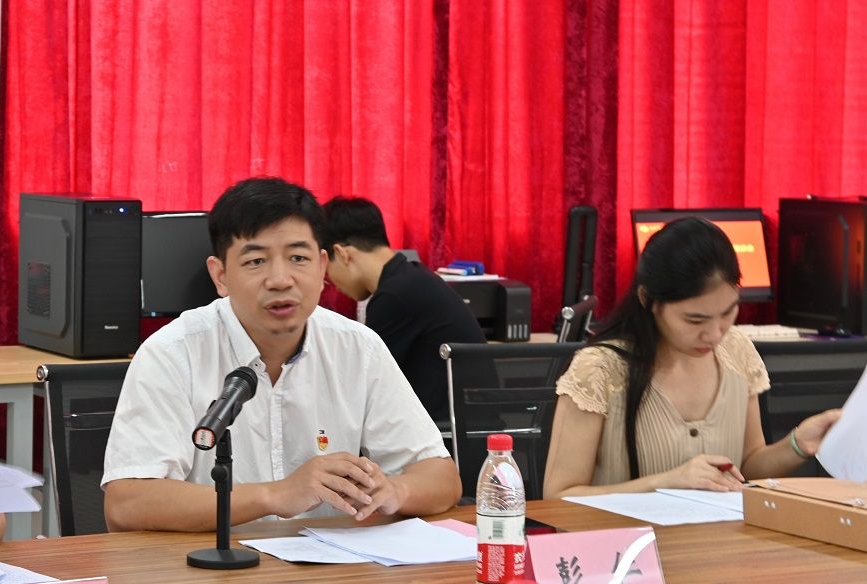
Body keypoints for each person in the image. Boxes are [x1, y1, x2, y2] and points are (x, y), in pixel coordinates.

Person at [102, 177, 461, 532]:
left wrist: (394, 491)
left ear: (322, 267)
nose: (280, 279)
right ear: (220, 275)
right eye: (256, 261)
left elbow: (441, 477)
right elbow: (127, 502)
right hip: (209, 563)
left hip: (331, 565)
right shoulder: (172, 352)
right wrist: (275, 495)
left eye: (298, 258)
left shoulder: (358, 348)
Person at [543, 218, 841, 497]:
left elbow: (748, 467)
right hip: (629, 538)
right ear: (648, 300)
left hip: (720, 535)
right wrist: (665, 483)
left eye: (727, 313)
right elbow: (558, 496)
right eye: (695, 320)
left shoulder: (736, 351)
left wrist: (797, 444)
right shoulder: (599, 369)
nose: (714, 334)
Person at [322, 196, 487, 422]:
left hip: (448, 431)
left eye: (327, 269)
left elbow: (360, 383)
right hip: (465, 422)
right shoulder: (411, 278)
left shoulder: (394, 296)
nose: (334, 284)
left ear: (342, 253)